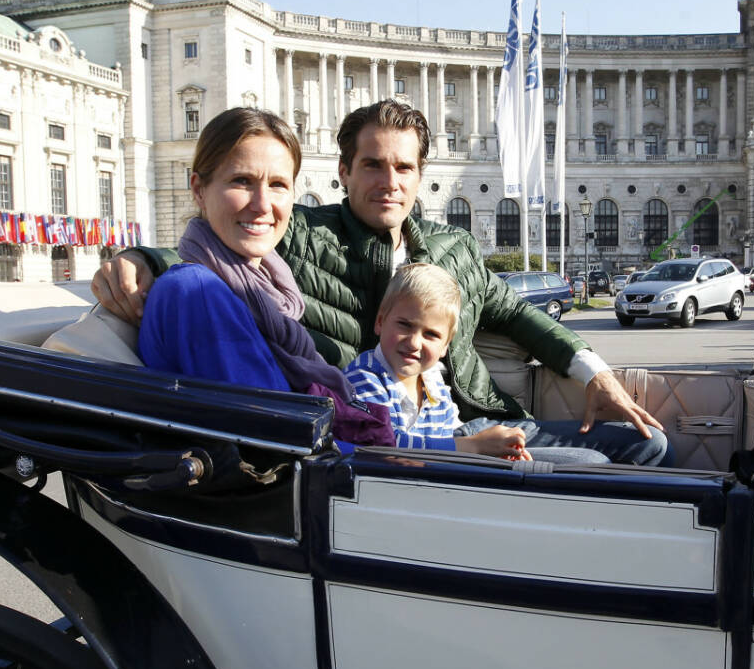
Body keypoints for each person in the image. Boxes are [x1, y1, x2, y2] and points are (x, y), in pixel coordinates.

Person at [95, 99, 669, 467]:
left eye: (403, 167)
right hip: (385, 442)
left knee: (649, 442)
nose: (388, 181)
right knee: (592, 475)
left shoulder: (457, 251)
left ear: (423, 176)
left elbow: (521, 316)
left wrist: (596, 374)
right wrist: (144, 259)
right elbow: (227, 249)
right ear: (343, 172)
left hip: (468, 417)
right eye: (371, 164)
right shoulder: (300, 234)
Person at [137, 107, 393, 448]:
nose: (262, 204)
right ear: (199, 189)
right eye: (242, 181)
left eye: (277, 185)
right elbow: (272, 439)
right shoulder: (197, 292)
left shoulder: (269, 291)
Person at [344, 263, 610, 463]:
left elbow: (451, 434)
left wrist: (492, 453)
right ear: (380, 322)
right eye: (404, 325)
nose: (414, 342)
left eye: (431, 335)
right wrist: (475, 447)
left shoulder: (432, 378)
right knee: (589, 463)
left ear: (446, 345)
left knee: (593, 459)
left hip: (443, 476)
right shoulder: (363, 380)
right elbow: (383, 447)